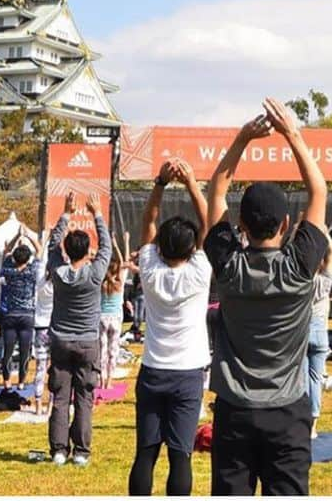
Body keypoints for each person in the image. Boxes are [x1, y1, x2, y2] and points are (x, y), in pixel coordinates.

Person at [204, 97, 328, 496]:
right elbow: (318, 189)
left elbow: (216, 189)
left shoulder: (228, 266)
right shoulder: (299, 266)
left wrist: (242, 139)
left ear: (239, 225)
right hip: (288, 412)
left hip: (234, 411)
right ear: (287, 224)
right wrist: (292, 135)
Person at [128, 158, 211, 496]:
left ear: (159, 246)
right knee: (181, 456)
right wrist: (192, 182)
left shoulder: (149, 269)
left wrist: (160, 183)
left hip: (152, 371)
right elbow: (210, 223)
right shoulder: (199, 271)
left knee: (145, 454)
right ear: (193, 248)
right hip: (188, 374)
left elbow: (148, 220)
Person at [46, 191, 111, 466]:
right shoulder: (95, 274)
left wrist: (66, 213)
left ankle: (59, 450)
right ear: (87, 252)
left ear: (67, 251)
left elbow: (51, 246)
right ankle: (81, 452)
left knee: (60, 398)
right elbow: (106, 246)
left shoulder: (59, 273)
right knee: (84, 397)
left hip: (61, 340)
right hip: (87, 342)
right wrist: (97, 214)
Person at [0, 224, 41, 391]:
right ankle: (22, 381)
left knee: (8, 350)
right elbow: (39, 250)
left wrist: (17, 236)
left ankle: (7, 380)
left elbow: (6, 252)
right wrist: (29, 235)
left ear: (14, 259)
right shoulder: (32, 271)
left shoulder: (8, 271)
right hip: (27, 315)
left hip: (10, 314)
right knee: (25, 350)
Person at [307, 230, 332, 438]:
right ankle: (313, 426)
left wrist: (300, 231)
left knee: (300, 379)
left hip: (301, 330)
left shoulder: (301, 280)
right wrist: (324, 232)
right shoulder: (325, 281)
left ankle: (299, 422)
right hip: (319, 331)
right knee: (315, 379)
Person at [100, 237, 128, 392]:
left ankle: (102, 380)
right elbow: (123, 261)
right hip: (115, 320)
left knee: (102, 351)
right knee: (113, 351)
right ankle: (109, 381)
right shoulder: (119, 284)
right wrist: (117, 244)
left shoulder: (102, 284)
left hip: (102, 318)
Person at [31, 229, 53, 417]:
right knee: (55, 369)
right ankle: (51, 405)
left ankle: (38, 404)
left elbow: (38, 259)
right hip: (55, 328)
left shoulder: (40, 283)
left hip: (40, 327)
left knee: (40, 367)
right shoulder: (60, 284)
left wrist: (44, 239)